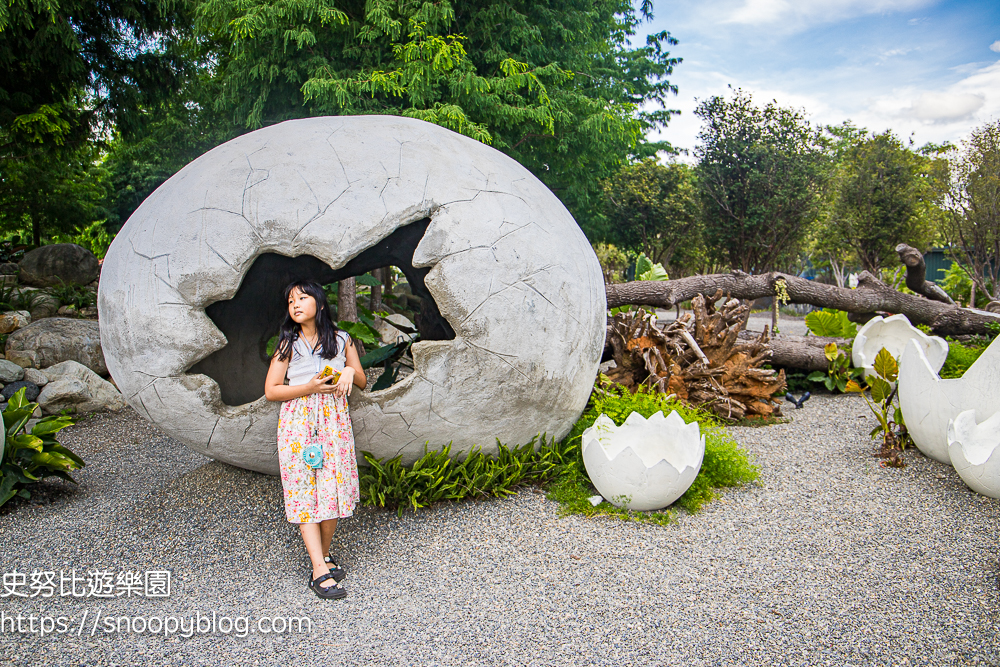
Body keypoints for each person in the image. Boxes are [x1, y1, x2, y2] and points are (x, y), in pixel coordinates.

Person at [264, 279, 366, 600]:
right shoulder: (286, 344)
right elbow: (272, 390)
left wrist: (348, 372)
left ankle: (320, 556)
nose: (295, 305)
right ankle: (319, 568)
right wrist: (308, 387)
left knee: (332, 492)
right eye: (291, 300)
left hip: (334, 423)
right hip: (298, 424)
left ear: (319, 304)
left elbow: (361, 379)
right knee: (304, 492)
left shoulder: (342, 339)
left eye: (302, 298)